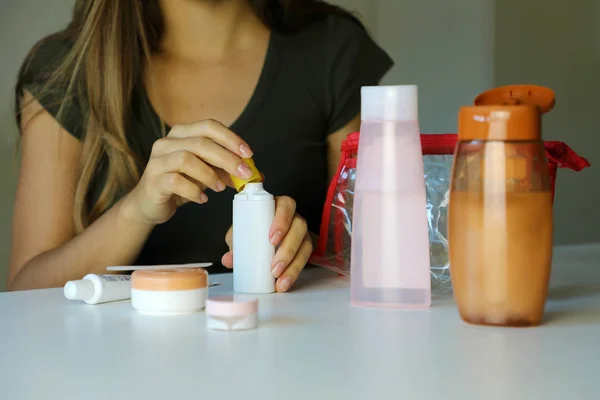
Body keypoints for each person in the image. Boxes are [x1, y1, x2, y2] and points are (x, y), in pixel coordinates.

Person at [7, 0, 393, 292]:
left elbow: (376, 263)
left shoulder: (331, 48)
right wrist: (136, 211)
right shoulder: (66, 70)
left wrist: (304, 253)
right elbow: (24, 291)